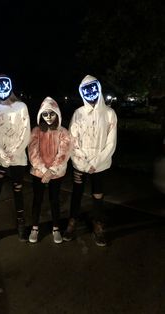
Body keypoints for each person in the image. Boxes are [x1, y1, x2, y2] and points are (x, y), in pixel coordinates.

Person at [63, 75, 117, 246]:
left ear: (98, 88)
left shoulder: (109, 114)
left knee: (98, 193)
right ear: (81, 92)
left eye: (93, 89)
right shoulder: (78, 114)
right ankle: (73, 221)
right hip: (80, 163)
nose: (90, 93)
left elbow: (111, 142)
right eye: (86, 90)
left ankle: (98, 223)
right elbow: (72, 140)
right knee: (77, 192)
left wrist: (95, 163)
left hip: (100, 165)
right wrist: (84, 163)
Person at [0, 74, 31, 246]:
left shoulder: (21, 107)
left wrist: (15, 151)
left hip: (17, 158)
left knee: (18, 190)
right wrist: (2, 153)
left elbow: (26, 132)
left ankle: (21, 222)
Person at [28, 96, 71, 244]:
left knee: (54, 200)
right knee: (37, 200)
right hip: (38, 173)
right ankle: (34, 227)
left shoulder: (63, 132)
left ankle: (56, 228)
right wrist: (42, 169)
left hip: (56, 173)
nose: (48, 117)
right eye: (45, 114)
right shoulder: (36, 131)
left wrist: (51, 170)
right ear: (41, 114)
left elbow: (64, 153)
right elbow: (33, 152)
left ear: (57, 114)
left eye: (51, 113)